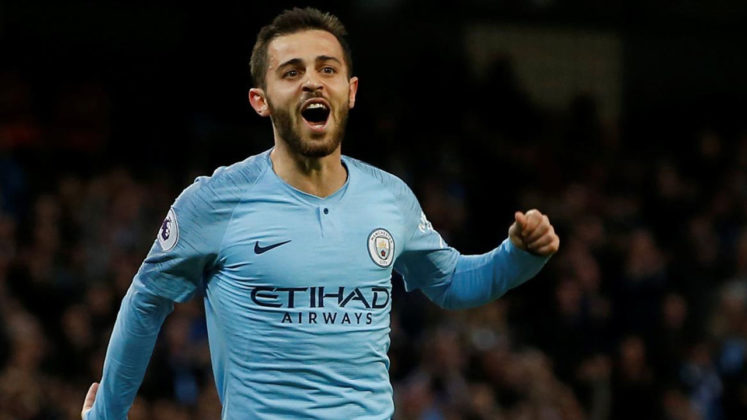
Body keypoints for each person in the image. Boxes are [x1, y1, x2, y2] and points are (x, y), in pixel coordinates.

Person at [81, 7, 560, 419]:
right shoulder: (214, 201)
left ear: (350, 91)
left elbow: (452, 282)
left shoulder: (389, 198)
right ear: (261, 100)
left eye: (327, 69)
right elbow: (145, 303)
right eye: (291, 72)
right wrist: (106, 414)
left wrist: (518, 256)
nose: (312, 80)